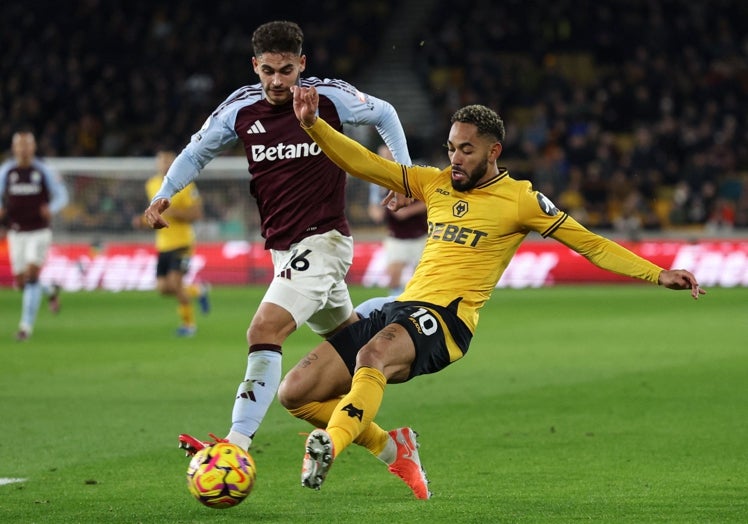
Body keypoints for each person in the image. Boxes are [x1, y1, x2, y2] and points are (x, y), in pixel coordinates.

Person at [276, 86, 706, 499]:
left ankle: (329, 446)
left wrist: (657, 273)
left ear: (493, 151)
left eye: (466, 149)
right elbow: (363, 163)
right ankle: (393, 449)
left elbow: (590, 243)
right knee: (294, 392)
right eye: (450, 148)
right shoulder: (436, 183)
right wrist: (314, 124)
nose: (455, 159)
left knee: (373, 357)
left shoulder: (521, 199)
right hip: (399, 309)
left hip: (445, 320)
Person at [142, 20, 421, 495]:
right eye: (268, 70)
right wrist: (166, 194)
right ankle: (397, 448)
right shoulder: (239, 108)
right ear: (255, 66)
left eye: (286, 70)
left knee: (264, 330)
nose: (277, 81)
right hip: (284, 251)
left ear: (302, 65)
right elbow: (196, 151)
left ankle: (235, 443)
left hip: (325, 241)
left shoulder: (328, 98)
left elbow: (386, 112)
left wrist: (404, 175)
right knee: (331, 370)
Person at [0, 130, 69, 341]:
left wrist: (52, 208)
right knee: (21, 282)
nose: (23, 149)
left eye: (26, 145)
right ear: (14, 148)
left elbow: (62, 196)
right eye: (19, 145)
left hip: (39, 231)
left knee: (30, 275)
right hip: (16, 232)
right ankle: (50, 290)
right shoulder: (6, 171)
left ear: (33, 147)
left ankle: (25, 328)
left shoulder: (43, 170)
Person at [135, 149, 210, 337]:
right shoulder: (151, 184)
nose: (164, 164)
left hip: (183, 243)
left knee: (176, 284)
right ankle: (198, 291)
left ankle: (188, 325)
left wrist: (173, 212)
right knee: (163, 288)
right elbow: (153, 213)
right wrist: (143, 221)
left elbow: (197, 214)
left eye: (168, 161)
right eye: (161, 161)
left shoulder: (186, 185)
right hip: (163, 244)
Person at [368, 144, 428, 296]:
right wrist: (377, 213)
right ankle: (396, 306)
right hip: (396, 235)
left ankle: (415, 305)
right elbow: (374, 206)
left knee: (421, 278)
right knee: (394, 279)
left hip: (420, 234)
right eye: (382, 156)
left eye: (388, 155)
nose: (385, 159)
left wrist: (407, 212)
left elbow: (429, 202)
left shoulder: (413, 174)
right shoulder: (378, 180)